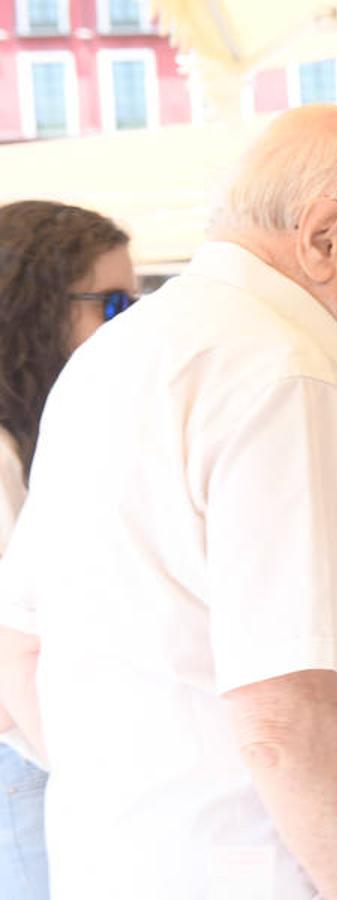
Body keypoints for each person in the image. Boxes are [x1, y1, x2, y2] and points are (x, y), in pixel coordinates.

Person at [0, 106, 337, 899]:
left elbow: (19, 648)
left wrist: (166, 799)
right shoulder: (283, 376)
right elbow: (285, 718)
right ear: (325, 236)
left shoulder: (122, 352)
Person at [0, 200, 135, 900]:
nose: (129, 327)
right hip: (31, 769)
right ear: (36, 309)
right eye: (112, 305)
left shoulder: (43, 438)